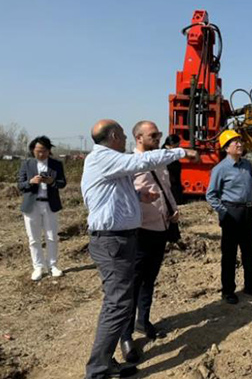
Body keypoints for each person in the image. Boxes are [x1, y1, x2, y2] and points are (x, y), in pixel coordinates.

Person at [81, 119, 198, 379]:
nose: (125, 138)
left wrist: (138, 197)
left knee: (120, 301)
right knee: (118, 304)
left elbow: (112, 195)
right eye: (123, 134)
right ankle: (98, 370)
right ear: (114, 136)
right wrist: (181, 151)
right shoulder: (104, 158)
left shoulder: (108, 161)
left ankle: (105, 361)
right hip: (113, 241)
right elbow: (142, 162)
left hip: (123, 238)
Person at [119, 121, 180, 364]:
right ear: (139, 138)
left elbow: (166, 189)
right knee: (132, 285)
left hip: (161, 228)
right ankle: (125, 335)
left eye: (158, 134)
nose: (157, 138)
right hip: (140, 231)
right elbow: (124, 196)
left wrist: (173, 210)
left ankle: (143, 321)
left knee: (149, 280)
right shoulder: (130, 164)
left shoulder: (159, 161)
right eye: (153, 135)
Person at [206, 130, 252, 305]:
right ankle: (228, 291)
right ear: (226, 148)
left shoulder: (247, 165)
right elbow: (211, 195)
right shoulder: (220, 169)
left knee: (249, 251)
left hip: (247, 211)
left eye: (240, 141)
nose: (240, 144)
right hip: (231, 212)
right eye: (235, 142)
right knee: (230, 254)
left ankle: (251, 285)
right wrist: (223, 212)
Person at [17, 136, 67, 281]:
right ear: (33, 150)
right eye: (38, 150)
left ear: (49, 150)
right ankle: (38, 266)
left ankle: (53, 265)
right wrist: (31, 182)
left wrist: (52, 182)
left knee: (52, 236)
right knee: (34, 238)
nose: (41, 153)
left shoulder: (56, 164)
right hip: (32, 204)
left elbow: (62, 183)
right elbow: (20, 185)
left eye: (44, 150)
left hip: (50, 204)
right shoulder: (27, 164)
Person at [162, 134, 184, 204]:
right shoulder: (164, 154)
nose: (178, 147)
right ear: (172, 144)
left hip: (174, 183)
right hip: (170, 184)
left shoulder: (171, 153)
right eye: (177, 146)